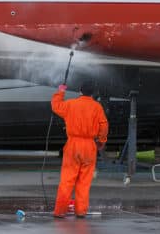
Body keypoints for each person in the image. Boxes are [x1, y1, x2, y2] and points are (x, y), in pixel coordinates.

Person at [51, 80, 108, 218]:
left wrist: (61, 91)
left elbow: (56, 106)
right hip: (89, 147)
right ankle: (81, 211)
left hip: (73, 145)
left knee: (67, 180)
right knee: (84, 182)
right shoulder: (97, 107)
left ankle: (60, 211)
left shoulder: (71, 104)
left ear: (80, 91)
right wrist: (101, 141)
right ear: (93, 93)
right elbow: (104, 125)